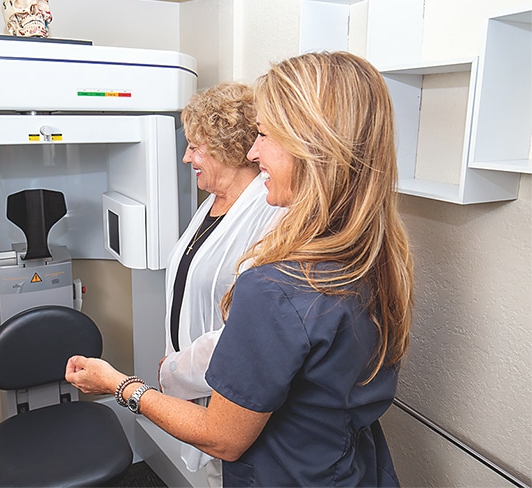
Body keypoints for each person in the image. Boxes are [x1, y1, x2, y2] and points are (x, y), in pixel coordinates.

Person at [66, 51, 414, 487]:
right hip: (351, 467)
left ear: (312, 148)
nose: (253, 151)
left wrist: (118, 384)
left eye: (265, 135)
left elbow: (222, 438)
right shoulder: (375, 255)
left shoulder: (277, 285)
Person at [160, 82, 285, 484]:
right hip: (189, 382)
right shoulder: (212, 202)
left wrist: (175, 369)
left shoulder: (270, 213)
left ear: (230, 148)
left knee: (224, 473)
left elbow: (245, 328)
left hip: (228, 395)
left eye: (196, 147)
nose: (186, 157)